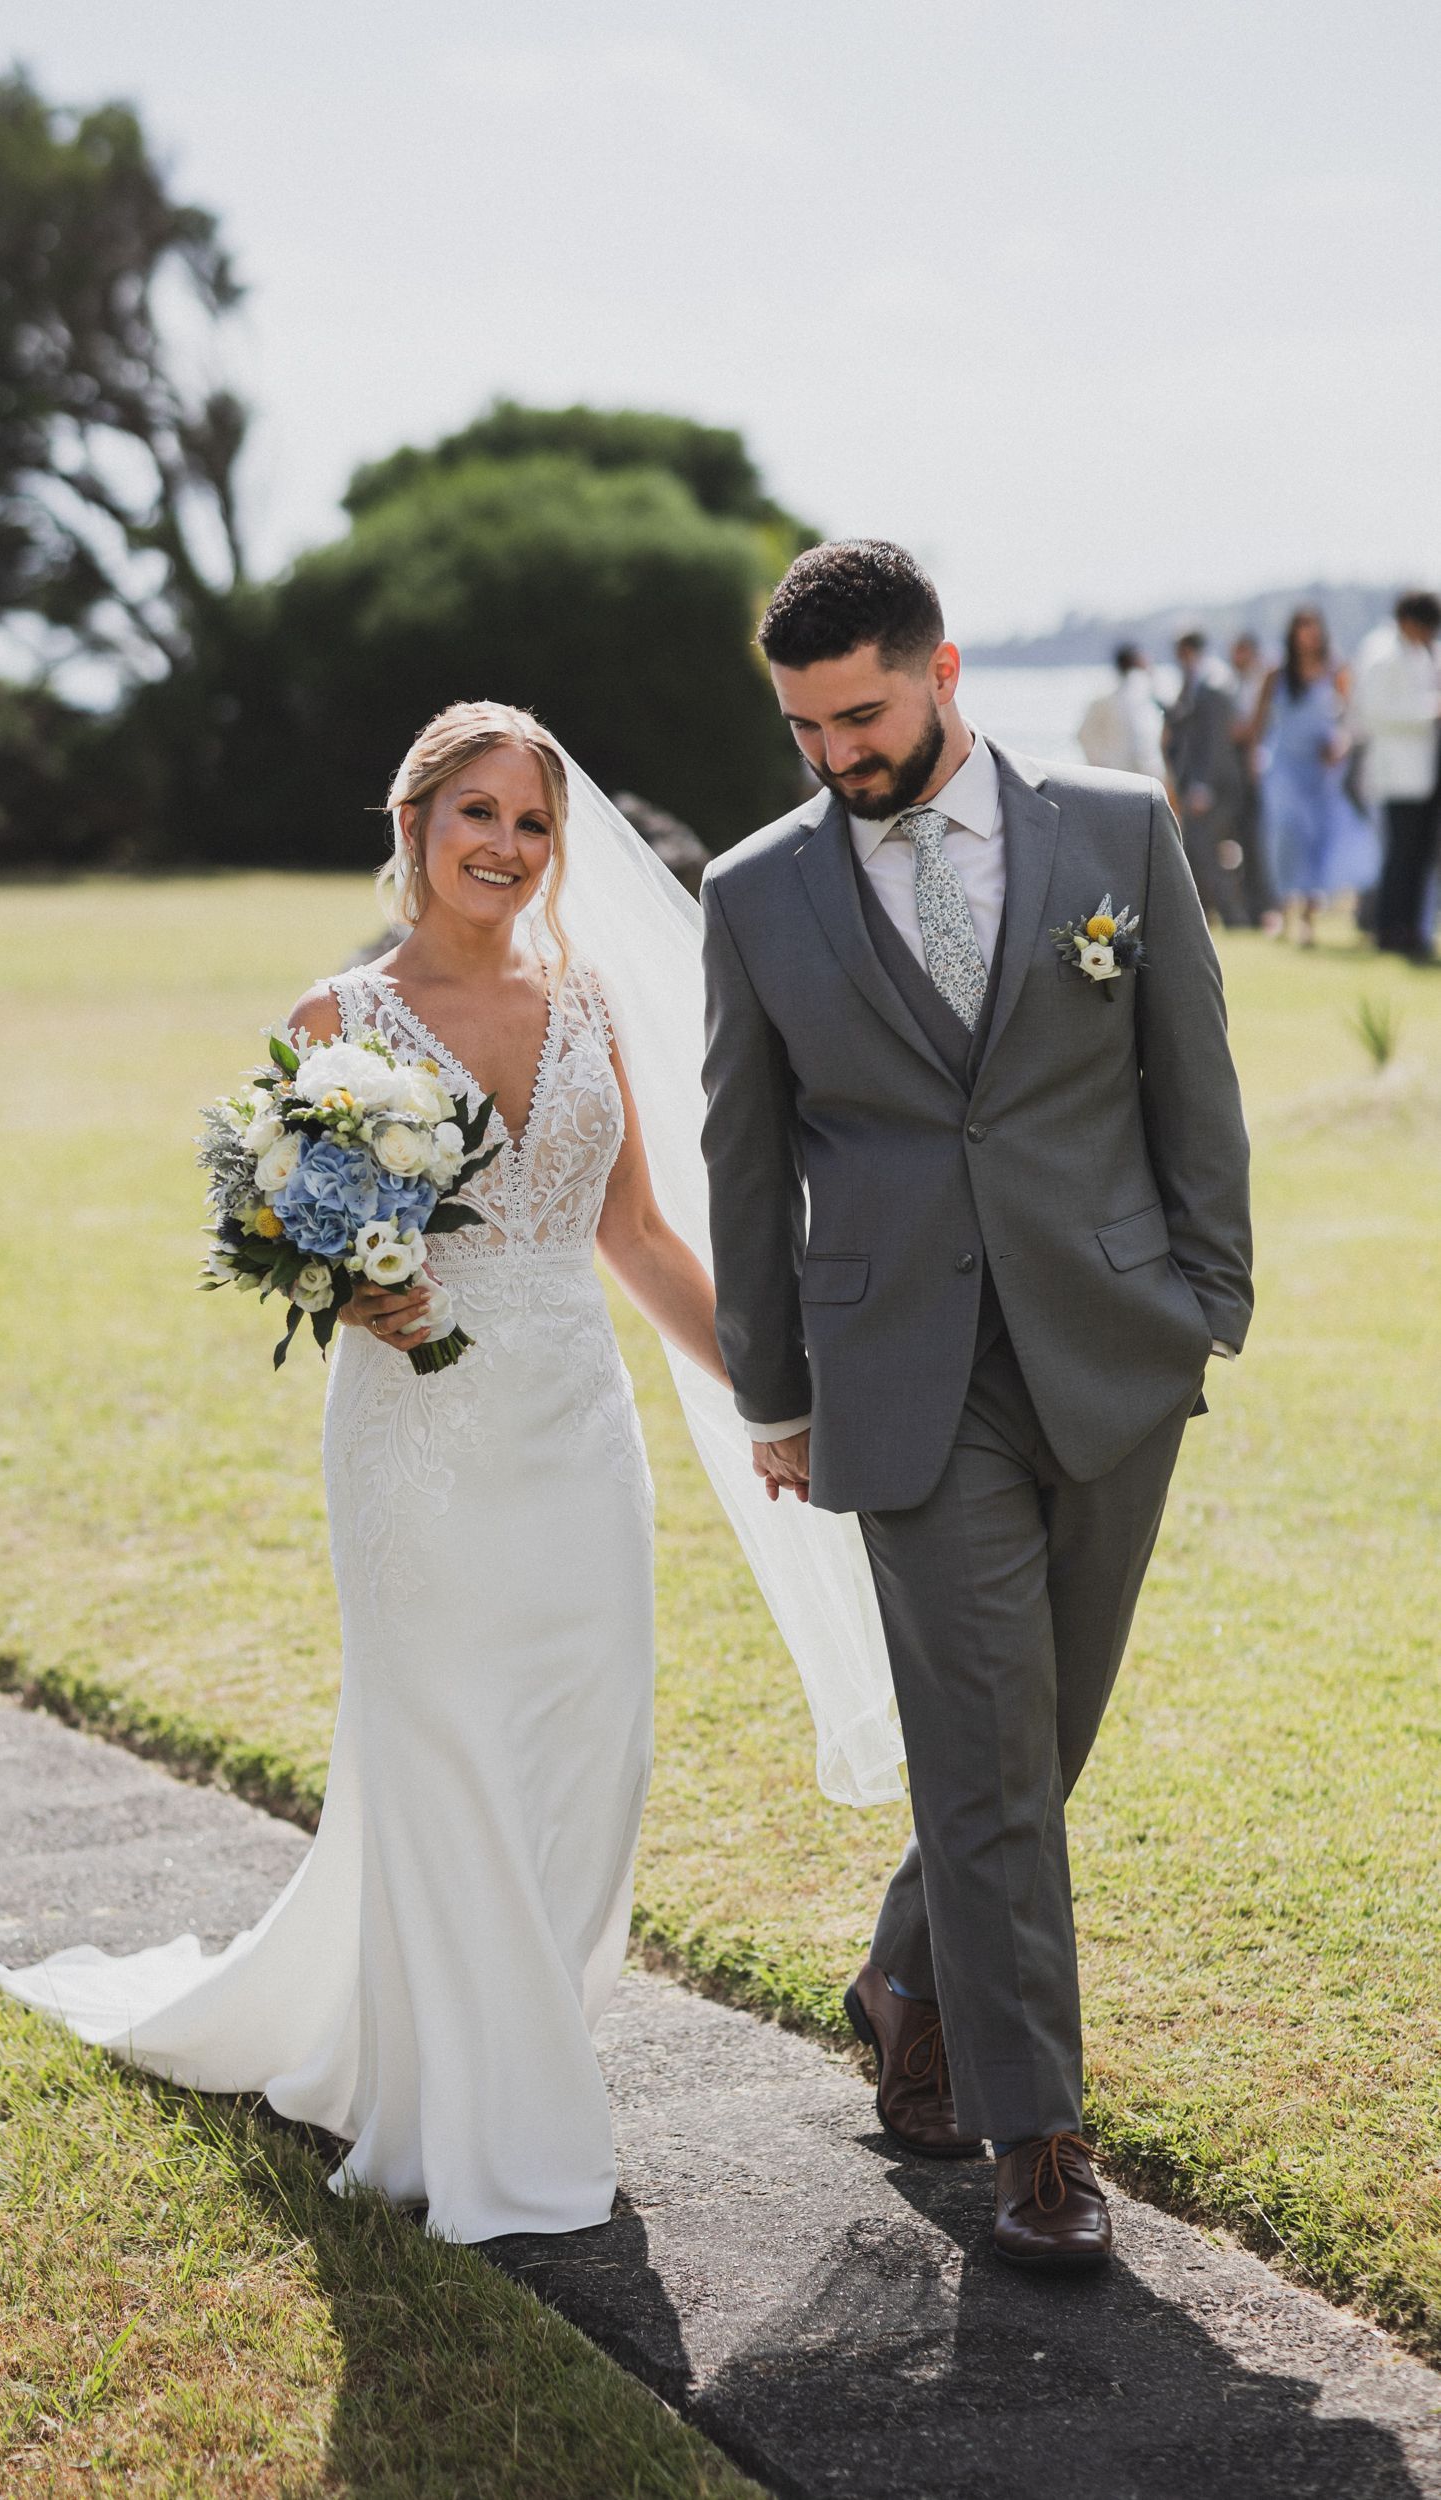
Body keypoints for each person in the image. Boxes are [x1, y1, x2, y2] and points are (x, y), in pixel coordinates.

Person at [0, 700, 898, 2240]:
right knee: (443, 1751)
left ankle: (514, 2041)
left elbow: (634, 1238)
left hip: (576, 1437)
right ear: (414, 824)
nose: (506, 846)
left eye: (533, 823)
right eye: (478, 813)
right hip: (416, 1438)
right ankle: (478, 2106)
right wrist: (348, 1288)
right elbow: (286, 1230)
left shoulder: (587, 997)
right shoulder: (338, 1018)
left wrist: (771, 1398)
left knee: (591, 1752)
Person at [700, 541, 1252, 2272]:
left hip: (1109, 1349)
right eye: (802, 728)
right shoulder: (754, 892)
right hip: (900, 1381)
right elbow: (742, 1159)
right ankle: (1037, 2142)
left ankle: (901, 1974)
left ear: (940, 672)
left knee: (1032, 1742)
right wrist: (771, 1389)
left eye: (858, 716)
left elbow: (1189, 1073)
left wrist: (1206, 1305)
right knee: (988, 1752)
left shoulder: (1112, 829)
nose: (834, 756)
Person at [1252, 608, 1374, 946]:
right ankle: (1282, 910)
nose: (1308, 634)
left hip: (1321, 770)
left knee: (1316, 839)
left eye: (1313, 627)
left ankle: (1307, 918)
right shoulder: (1276, 673)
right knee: (1285, 835)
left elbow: (1351, 719)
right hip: (1283, 768)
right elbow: (1258, 722)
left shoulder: (1336, 669)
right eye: (1302, 627)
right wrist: (1253, 761)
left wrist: (1341, 745)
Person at [1352, 590, 1441, 961]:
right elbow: (1372, 712)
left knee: (1417, 858)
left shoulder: (1417, 652)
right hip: (1396, 775)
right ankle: (1390, 931)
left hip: (1422, 774)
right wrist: (1429, 712)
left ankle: (1411, 930)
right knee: (1399, 858)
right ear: (1409, 622)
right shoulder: (1381, 653)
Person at [1162, 630, 1247, 923]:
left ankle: (1231, 916)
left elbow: (1215, 741)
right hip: (1197, 784)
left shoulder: (1213, 683)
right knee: (1197, 850)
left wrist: (1203, 786)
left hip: (1213, 787)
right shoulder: (1199, 681)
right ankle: (1208, 914)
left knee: (1204, 850)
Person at [1227, 631, 1281, 930]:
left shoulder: (1263, 683)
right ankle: (1255, 907)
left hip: (1263, 773)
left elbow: (1251, 729)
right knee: (1249, 844)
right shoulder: (1236, 684)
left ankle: (1268, 906)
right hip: (1244, 777)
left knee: (1263, 844)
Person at [1076, 644, 1166, 776]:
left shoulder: (1143, 694)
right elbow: (1084, 734)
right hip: (1117, 772)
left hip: (1140, 772)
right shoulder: (1106, 699)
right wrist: (1101, 765)